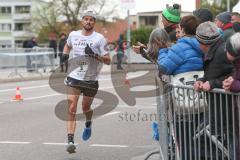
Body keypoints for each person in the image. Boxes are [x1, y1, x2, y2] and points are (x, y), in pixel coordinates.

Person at [62, 11, 111, 153]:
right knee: (71, 108)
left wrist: (94, 55)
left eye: (91, 20)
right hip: (74, 77)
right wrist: (65, 55)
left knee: (85, 109)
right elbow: (67, 45)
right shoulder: (73, 35)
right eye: (86, 19)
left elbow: (108, 60)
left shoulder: (100, 39)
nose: (88, 22)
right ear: (82, 21)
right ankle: (70, 140)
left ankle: (88, 123)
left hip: (90, 80)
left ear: (94, 22)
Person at [194, 21, 234, 159]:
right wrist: (202, 81)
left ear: (203, 42)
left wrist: (213, 83)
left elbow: (235, 74)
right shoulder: (216, 49)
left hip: (230, 108)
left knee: (233, 143)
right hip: (222, 107)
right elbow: (215, 73)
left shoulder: (222, 51)